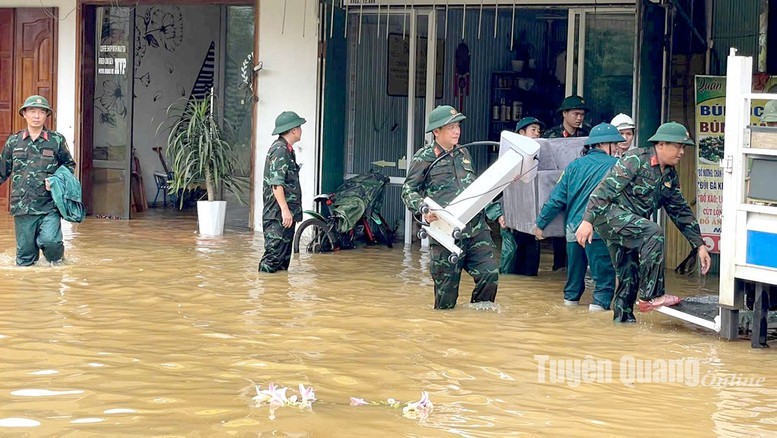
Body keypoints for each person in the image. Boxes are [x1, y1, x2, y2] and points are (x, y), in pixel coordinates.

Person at [575, 122, 712, 323]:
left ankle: (623, 323)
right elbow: (604, 190)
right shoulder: (635, 159)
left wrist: (699, 245)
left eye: (684, 147)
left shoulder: (669, 176)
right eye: (678, 146)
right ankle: (653, 295)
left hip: (631, 227)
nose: (682, 152)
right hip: (610, 216)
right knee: (653, 232)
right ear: (662, 144)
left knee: (628, 274)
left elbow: (680, 211)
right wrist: (587, 222)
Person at [402, 105, 501, 309]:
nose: (457, 131)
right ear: (436, 131)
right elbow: (408, 190)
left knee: (489, 274)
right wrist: (423, 209)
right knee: (446, 298)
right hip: (445, 233)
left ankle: (479, 325)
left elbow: (476, 188)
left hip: (475, 229)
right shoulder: (424, 158)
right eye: (451, 127)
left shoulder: (464, 153)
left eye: (457, 126)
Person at [534, 123, 621, 311]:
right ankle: (595, 331)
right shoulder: (617, 167)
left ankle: (568, 319)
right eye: (614, 144)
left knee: (573, 285)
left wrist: (540, 225)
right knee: (604, 284)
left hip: (573, 233)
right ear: (604, 144)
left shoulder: (573, 166)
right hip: (597, 233)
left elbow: (556, 199)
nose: (616, 149)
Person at [0, 95, 76, 266]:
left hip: (49, 205)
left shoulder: (56, 140)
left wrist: (56, 179)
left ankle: (56, 269)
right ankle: (30, 289)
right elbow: (2, 170)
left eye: (41, 112)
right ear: (24, 114)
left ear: (46, 116)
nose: (36, 116)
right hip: (22, 206)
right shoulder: (14, 141)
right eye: (32, 111)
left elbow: (69, 165)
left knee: (52, 243)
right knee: (25, 259)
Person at [543, 95, 590, 271]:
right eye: (576, 114)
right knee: (558, 233)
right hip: (557, 188)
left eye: (582, 115)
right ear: (564, 113)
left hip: (580, 190)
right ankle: (559, 268)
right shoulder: (551, 136)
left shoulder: (588, 135)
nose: (579, 118)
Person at [259, 111, 305, 273]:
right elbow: (276, 184)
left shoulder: (287, 149)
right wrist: (285, 210)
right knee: (273, 258)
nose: (301, 130)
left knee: (283, 261)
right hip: (278, 215)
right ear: (293, 130)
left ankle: (278, 296)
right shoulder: (280, 150)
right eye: (299, 127)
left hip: (285, 215)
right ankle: (265, 292)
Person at [499, 117, 544, 276]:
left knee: (531, 271)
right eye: (533, 130)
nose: (537, 134)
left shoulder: (541, 160)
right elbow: (494, 192)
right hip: (511, 223)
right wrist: (499, 214)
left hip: (532, 224)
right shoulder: (507, 159)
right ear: (521, 133)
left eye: (539, 131)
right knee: (510, 265)